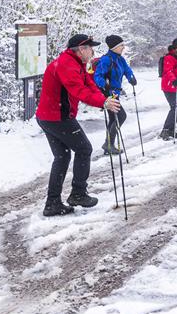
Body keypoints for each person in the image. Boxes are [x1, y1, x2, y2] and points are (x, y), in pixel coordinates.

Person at [35, 34, 121, 216]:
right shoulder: (67, 65)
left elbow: (89, 85)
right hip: (57, 117)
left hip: (51, 116)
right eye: (91, 48)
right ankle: (78, 194)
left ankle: (53, 203)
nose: (93, 51)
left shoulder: (77, 64)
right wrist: (103, 103)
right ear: (81, 49)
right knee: (84, 149)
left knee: (62, 157)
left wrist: (104, 98)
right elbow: (79, 90)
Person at [93, 35, 137, 155]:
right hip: (109, 94)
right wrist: (105, 85)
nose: (123, 47)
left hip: (115, 93)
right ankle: (108, 144)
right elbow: (97, 76)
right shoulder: (106, 60)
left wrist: (131, 78)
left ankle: (108, 144)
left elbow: (127, 70)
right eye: (121, 45)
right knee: (120, 116)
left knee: (114, 118)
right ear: (115, 47)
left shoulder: (120, 59)